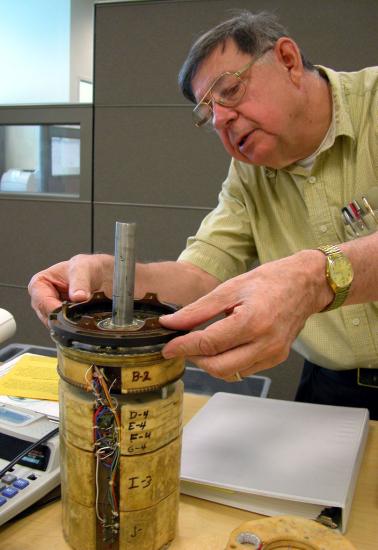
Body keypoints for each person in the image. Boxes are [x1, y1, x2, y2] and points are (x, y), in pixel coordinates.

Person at [28, 11, 378, 418]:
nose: (221, 119)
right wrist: (110, 278)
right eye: (208, 113)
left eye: (229, 90)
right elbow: (200, 276)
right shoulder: (249, 173)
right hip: (331, 389)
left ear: (287, 60)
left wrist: (313, 278)